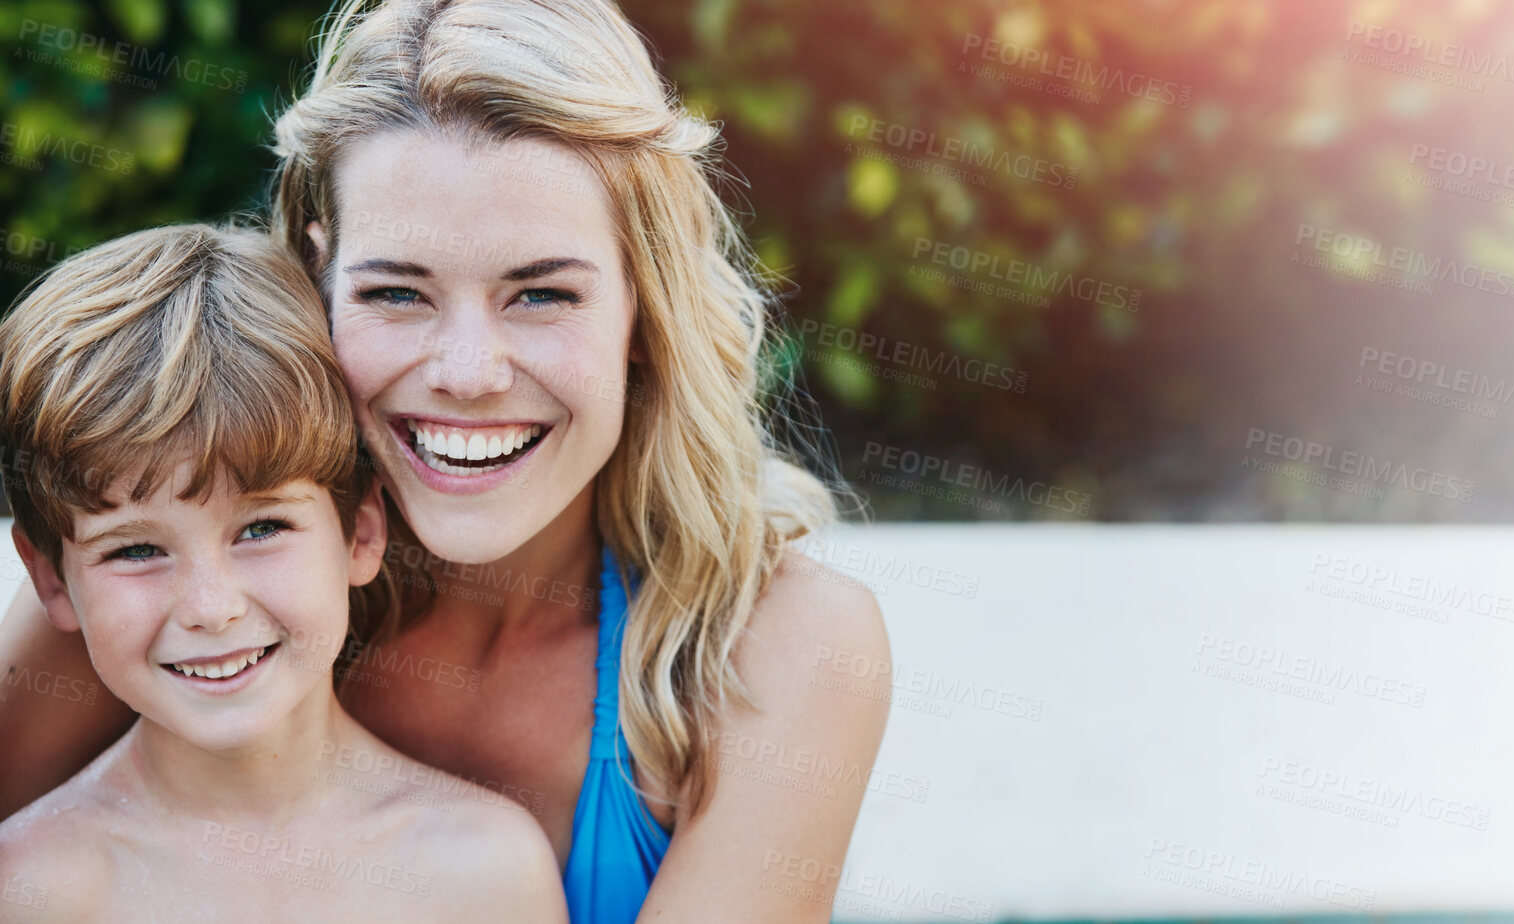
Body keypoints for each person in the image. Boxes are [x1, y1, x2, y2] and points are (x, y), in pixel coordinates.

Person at [0, 1, 892, 920]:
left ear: (643, 303)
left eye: (541, 295)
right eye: (396, 291)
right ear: (320, 278)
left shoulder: (780, 649)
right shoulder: (171, 563)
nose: (468, 375)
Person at [0, 225, 568, 921]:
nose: (211, 608)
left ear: (360, 531)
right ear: (51, 581)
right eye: (136, 551)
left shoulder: (484, 866)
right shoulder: (32, 885)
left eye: (262, 529)